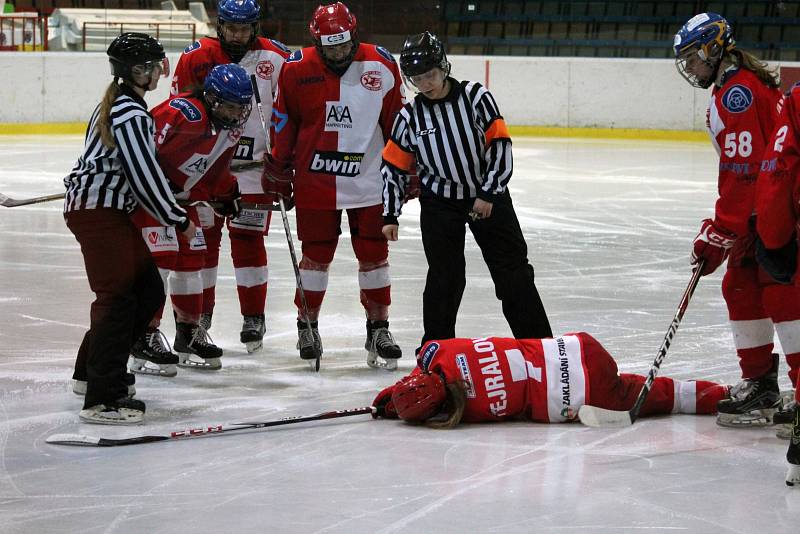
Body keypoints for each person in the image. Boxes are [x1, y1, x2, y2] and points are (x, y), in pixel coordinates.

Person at [380, 31, 552, 355]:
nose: (425, 83)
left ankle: (540, 350)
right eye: (417, 78)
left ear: (443, 66)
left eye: (429, 74)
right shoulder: (409, 116)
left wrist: (488, 193)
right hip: (440, 203)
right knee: (444, 279)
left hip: (487, 195)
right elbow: (393, 166)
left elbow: (500, 145)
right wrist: (390, 213)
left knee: (513, 274)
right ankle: (435, 352)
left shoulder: (476, 97)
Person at [673, 12, 800, 427]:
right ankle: (761, 384)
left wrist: (722, 229)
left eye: (693, 57)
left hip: (776, 208)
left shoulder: (737, 94)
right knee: (741, 285)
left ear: (713, 48)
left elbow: (744, 170)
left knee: (782, 295)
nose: (690, 68)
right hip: (761, 208)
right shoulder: (738, 84)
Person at [64, 32, 196, 424]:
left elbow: (132, 170)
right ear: (138, 71)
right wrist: (178, 218)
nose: (159, 71)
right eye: (154, 65)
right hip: (99, 212)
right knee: (118, 299)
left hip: (103, 210)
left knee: (147, 289)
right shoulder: (131, 113)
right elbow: (143, 175)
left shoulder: (121, 104)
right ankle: (104, 398)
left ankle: (90, 375)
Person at [270, 2, 405, 369]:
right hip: (316, 182)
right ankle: (307, 324)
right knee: (315, 259)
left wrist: (406, 170)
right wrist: (280, 170)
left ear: (354, 35)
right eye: (330, 48)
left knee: (374, 256)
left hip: (370, 182)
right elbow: (283, 122)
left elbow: (397, 124)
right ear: (316, 41)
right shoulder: (295, 68)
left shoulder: (381, 63)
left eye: (344, 46)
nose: (338, 54)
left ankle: (379, 326)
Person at [170, 0, 291, 353]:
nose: (237, 35)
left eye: (244, 28)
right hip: (204, 172)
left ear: (255, 27)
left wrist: (283, 163)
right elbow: (181, 114)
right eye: (231, 28)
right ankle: (199, 317)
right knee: (203, 243)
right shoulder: (196, 56)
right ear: (220, 25)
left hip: (254, 172)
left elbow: (287, 113)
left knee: (249, 241)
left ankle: (254, 316)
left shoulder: (277, 58)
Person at [130, 63, 253, 373]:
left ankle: (188, 333)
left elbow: (217, 169)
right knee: (162, 260)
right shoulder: (181, 112)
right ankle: (142, 334)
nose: (235, 112)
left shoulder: (231, 128)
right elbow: (142, 150)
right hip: (151, 198)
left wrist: (227, 195)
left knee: (192, 263)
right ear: (211, 99)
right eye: (228, 105)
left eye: (240, 106)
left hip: (184, 201)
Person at [371, 333, 730, 426]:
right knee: (642, 387)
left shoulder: (465, 412)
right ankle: (735, 392)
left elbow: (433, 408)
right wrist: (388, 396)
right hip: (577, 348)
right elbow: (424, 362)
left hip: (585, 398)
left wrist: (394, 411)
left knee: (664, 396)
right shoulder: (439, 352)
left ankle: (723, 397)